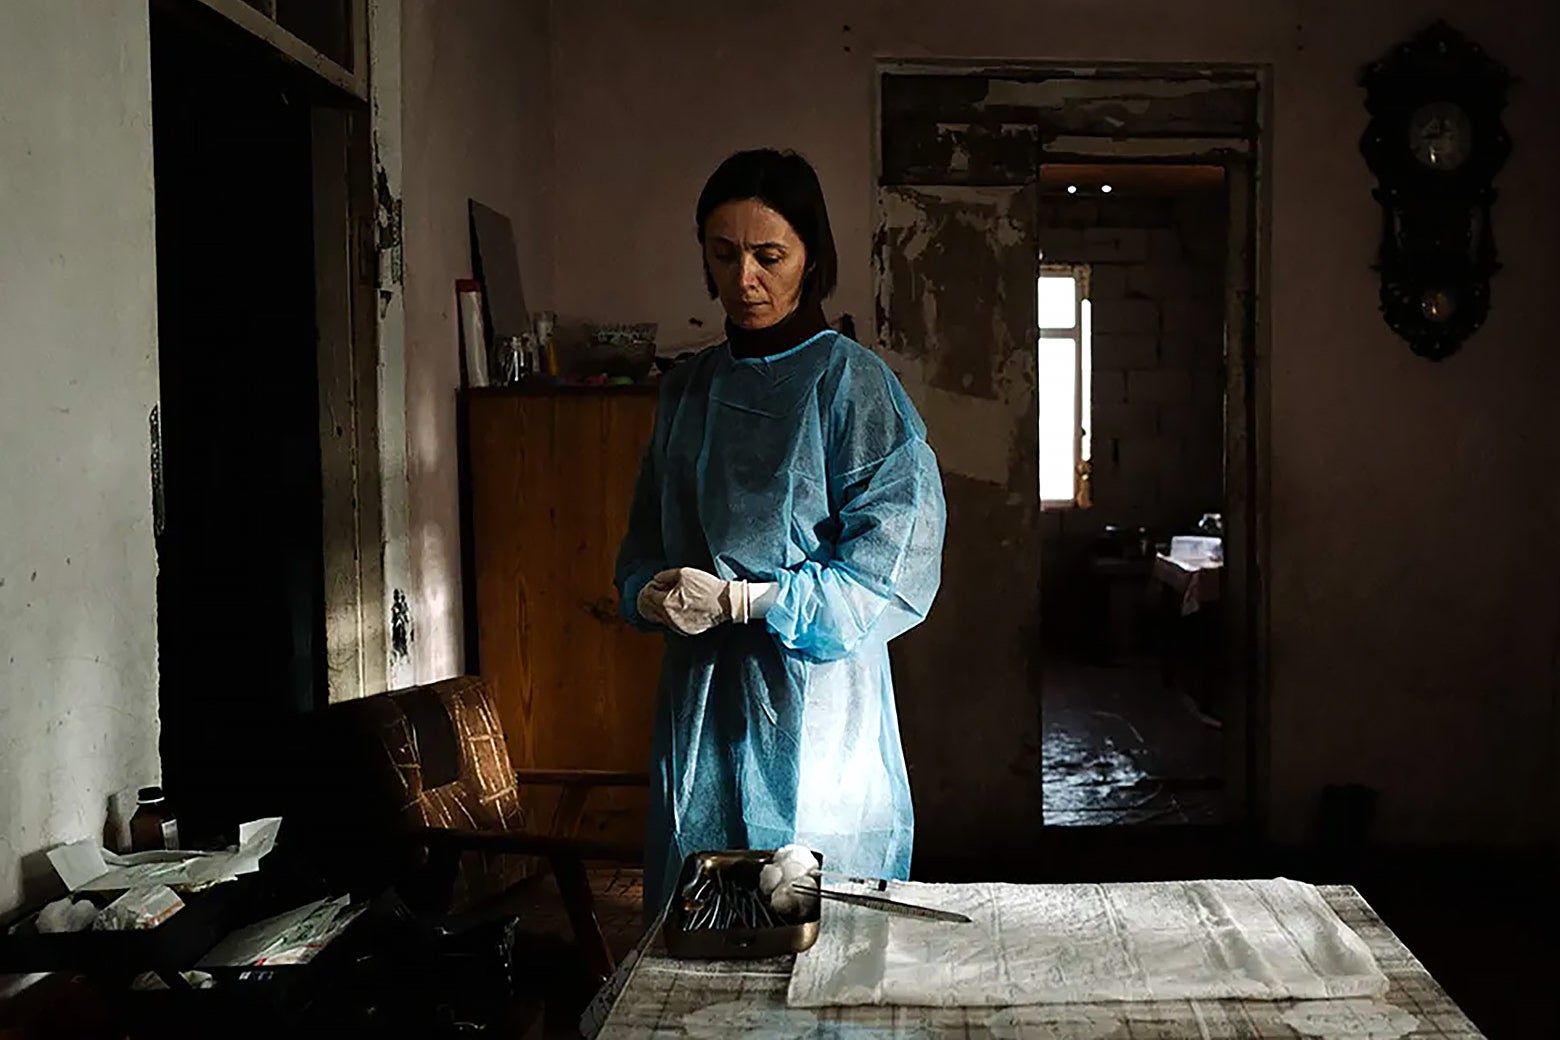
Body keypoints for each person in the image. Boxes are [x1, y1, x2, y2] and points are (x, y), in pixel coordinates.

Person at [615, 149, 947, 921]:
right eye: (724, 255)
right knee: (705, 938)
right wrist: (653, 595)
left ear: (812, 260)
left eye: (770, 256)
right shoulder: (688, 391)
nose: (744, 279)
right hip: (700, 713)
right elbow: (637, 551)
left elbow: (887, 575)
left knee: (812, 934)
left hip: (817, 713)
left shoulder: (853, 387)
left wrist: (745, 601)